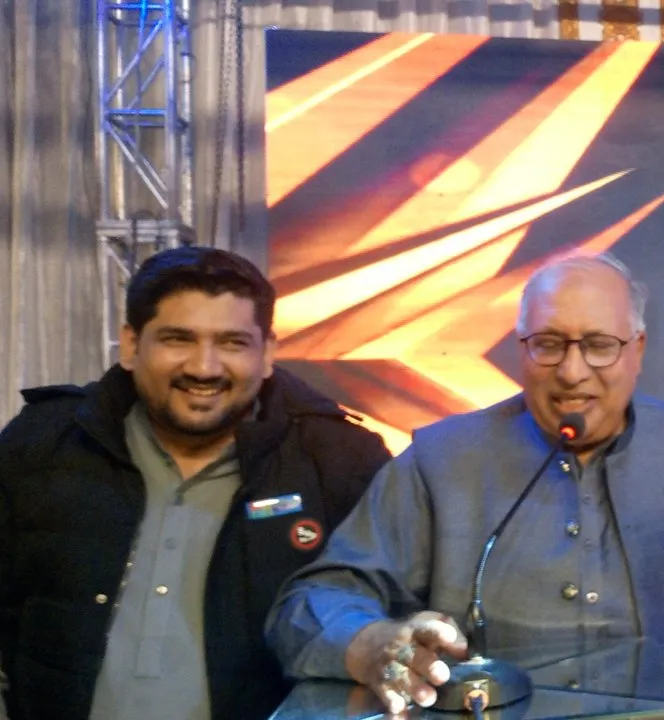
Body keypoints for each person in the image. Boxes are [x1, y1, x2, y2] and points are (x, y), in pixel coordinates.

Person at [266, 253, 664, 715]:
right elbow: (311, 603)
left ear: (637, 349)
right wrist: (369, 643)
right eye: (549, 344)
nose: (572, 372)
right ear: (522, 348)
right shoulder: (443, 460)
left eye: (600, 345)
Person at [0, 247, 391, 720]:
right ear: (131, 345)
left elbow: (382, 625)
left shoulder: (342, 460)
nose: (204, 368)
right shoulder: (44, 442)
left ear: (268, 353)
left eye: (232, 343)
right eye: (177, 339)